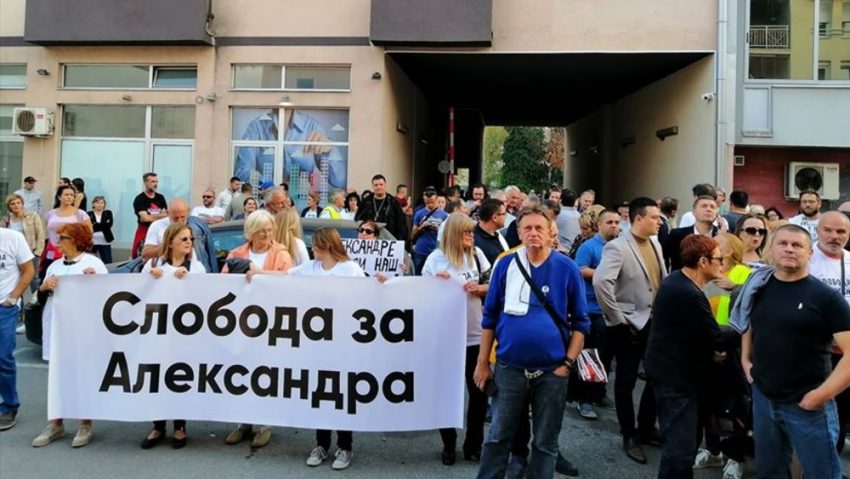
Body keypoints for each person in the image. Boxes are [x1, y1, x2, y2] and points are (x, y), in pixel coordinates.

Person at [473, 207, 589, 479]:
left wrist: (567, 364)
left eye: (539, 228)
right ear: (519, 232)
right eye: (527, 228)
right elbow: (490, 317)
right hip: (509, 369)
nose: (533, 233)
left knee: (545, 443)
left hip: (551, 373)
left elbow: (581, 323)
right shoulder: (506, 265)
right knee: (498, 437)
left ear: (550, 233)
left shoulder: (567, 268)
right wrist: (482, 363)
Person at [734, 224, 850, 479]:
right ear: (771, 249)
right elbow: (748, 323)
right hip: (764, 399)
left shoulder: (826, 298)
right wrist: (745, 361)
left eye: (797, 245)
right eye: (783, 243)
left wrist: (821, 395)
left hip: (808, 406)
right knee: (770, 472)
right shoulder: (758, 287)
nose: (789, 249)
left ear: (810, 253)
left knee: (822, 474)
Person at [644, 235, 726, 479]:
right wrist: (747, 330)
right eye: (719, 259)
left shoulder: (676, 280)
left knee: (685, 443)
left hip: (677, 374)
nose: (722, 264)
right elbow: (716, 335)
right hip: (677, 380)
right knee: (680, 450)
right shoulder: (687, 292)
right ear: (703, 261)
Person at [593, 197, 666, 464]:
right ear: (638, 218)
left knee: (657, 376)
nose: (659, 222)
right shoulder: (618, 246)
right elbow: (601, 283)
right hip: (628, 326)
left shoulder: (656, 243)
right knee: (626, 381)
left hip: (655, 323)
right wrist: (618, 318)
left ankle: (646, 427)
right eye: (655, 217)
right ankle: (629, 433)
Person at [290, 227, 365, 471]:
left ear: (327, 246)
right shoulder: (310, 268)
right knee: (320, 391)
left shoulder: (350, 269)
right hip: (317, 343)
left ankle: (345, 446)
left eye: (316, 245)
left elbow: (368, 295)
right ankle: (321, 444)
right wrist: (258, 273)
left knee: (342, 392)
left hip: (343, 342)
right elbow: (283, 278)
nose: (312, 249)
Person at [421, 213, 490, 465]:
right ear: (453, 234)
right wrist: (436, 285)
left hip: (475, 336)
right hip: (446, 338)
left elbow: (493, 286)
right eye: (466, 232)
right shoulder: (435, 259)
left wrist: (479, 288)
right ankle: (448, 443)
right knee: (446, 393)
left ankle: (474, 444)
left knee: (479, 394)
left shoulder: (477, 255)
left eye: (472, 232)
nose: (471, 236)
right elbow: (420, 296)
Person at [221, 210, 291, 448]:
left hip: (270, 322)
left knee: (265, 371)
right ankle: (242, 422)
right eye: (262, 231)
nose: (267, 235)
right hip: (241, 321)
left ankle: (264, 424)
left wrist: (262, 274)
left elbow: (289, 279)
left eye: (270, 230)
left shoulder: (281, 253)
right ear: (251, 232)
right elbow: (223, 283)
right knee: (240, 370)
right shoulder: (236, 254)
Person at [33, 223, 107, 448]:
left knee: (83, 373)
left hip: (82, 329)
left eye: (62, 238)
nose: (58, 242)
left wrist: (95, 282)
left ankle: (85, 423)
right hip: (56, 326)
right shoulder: (54, 266)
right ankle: (56, 423)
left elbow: (107, 297)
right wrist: (44, 287)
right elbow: (40, 299)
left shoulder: (93, 264)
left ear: (75, 239)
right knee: (57, 375)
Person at [140, 222, 207, 450]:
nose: (189, 243)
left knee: (179, 376)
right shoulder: (154, 265)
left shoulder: (196, 268)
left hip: (183, 333)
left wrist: (187, 281)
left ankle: (180, 425)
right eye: (184, 239)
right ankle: (158, 425)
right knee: (156, 376)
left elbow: (204, 298)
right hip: (157, 331)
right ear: (170, 243)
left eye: (191, 239)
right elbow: (140, 294)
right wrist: (152, 279)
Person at [807, 211, 850, 454]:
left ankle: (832, 462)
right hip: (815, 352)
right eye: (828, 230)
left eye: (841, 231)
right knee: (816, 413)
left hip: (846, 354)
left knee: (840, 414)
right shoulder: (806, 259)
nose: (834, 236)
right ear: (818, 231)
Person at [573, 210, 621, 420]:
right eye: (609, 222)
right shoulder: (589, 247)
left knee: (607, 355)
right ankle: (584, 399)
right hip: (592, 309)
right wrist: (605, 274)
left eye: (617, 222)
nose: (614, 225)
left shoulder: (621, 247)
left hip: (612, 309)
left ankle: (599, 392)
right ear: (599, 224)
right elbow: (580, 269)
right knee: (590, 355)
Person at [233, 109, 346, 193]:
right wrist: (270, 187)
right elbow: (242, 171)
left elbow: (340, 182)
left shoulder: (312, 127)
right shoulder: (256, 127)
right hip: (268, 203)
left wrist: (330, 150)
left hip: (301, 203)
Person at [0, 227, 35, 431]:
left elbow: (28, 270)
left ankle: (9, 406)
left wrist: (13, 298)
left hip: (4, 306)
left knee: (3, 356)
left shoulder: (12, 238)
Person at [142, 198, 219, 273]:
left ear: (188, 212)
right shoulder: (156, 226)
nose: (179, 222)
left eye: (183, 218)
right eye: (175, 218)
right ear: (168, 213)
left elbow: (209, 253)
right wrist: (170, 245)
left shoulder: (195, 228)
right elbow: (146, 255)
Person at [42, 185, 90, 277]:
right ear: (59, 197)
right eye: (66, 194)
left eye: (71, 195)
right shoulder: (50, 214)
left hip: (71, 250)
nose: (69, 197)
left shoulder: (80, 214)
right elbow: (47, 231)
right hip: (52, 250)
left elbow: (88, 233)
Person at [664, 195, 720, 271]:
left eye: (712, 207)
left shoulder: (722, 236)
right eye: (704, 206)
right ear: (694, 212)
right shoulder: (677, 235)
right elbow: (668, 260)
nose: (709, 209)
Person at [4, 194, 45, 294]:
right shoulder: (7, 220)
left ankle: (37, 300)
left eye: (18, 203)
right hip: (13, 255)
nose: (16, 205)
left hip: (30, 252)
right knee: (15, 279)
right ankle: (17, 300)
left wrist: (38, 253)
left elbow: (40, 235)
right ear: (9, 206)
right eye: (12, 204)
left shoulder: (32, 216)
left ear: (22, 204)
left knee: (34, 279)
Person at [355, 174, 408, 242]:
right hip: (368, 240)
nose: (378, 187)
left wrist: (399, 242)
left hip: (389, 240)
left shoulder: (394, 203)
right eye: (376, 185)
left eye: (381, 184)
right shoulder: (365, 202)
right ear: (372, 186)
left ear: (385, 185)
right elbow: (358, 220)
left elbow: (401, 225)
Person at [412, 186, 448, 274]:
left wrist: (438, 228)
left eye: (432, 201)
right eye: (427, 202)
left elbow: (448, 235)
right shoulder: (419, 213)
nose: (429, 204)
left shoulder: (444, 215)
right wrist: (421, 227)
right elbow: (412, 234)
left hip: (437, 250)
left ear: (436, 199)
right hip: (421, 250)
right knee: (418, 275)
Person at [131, 172, 168, 259]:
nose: (155, 184)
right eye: (152, 182)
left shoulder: (160, 197)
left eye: (156, 181)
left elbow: (166, 215)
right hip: (145, 231)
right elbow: (145, 219)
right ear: (145, 183)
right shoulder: (139, 199)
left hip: (159, 231)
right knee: (143, 258)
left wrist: (149, 217)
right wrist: (160, 215)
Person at [474, 199, 509, 265]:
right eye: (504, 214)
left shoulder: (496, 234)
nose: (506, 216)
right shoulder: (476, 242)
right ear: (495, 217)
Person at [87, 196, 114, 264]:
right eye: (98, 203)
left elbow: (109, 225)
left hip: (105, 241)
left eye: (102, 203)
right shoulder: (89, 214)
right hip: (92, 242)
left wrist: (95, 225)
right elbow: (88, 227)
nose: (100, 205)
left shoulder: (108, 213)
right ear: (93, 204)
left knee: (107, 262)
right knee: (91, 262)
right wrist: (103, 225)